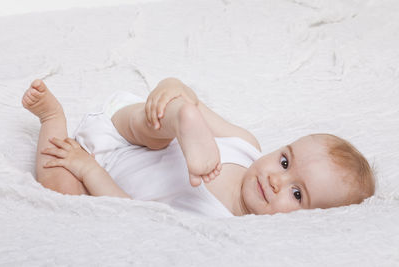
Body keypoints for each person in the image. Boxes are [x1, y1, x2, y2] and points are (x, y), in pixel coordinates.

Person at [22, 78, 375, 218]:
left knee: (63, 194)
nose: (275, 180)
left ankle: (51, 117)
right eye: (284, 161)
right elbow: (197, 107)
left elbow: (130, 214)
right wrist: (176, 94)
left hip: (97, 180)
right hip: (127, 132)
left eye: (297, 194)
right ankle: (178, 119)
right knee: (159, 122)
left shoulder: (219, 222)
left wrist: (88, 169)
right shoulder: (246, 146)